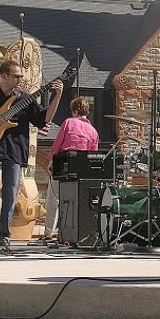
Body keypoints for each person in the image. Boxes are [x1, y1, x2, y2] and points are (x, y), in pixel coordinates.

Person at [0, 59, 63, 253]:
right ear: (4, 76)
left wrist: (57, 96)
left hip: (15, 151)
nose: (20, 79)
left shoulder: (25, 99)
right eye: (16, 76)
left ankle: (4, 235)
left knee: (11, 193)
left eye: (21, 76)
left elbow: (44, 120)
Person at [44, 96, 99, 242]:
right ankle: (74, 232)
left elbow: (58, 144)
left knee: (54, 198)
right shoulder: (93, 131)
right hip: (80, 167)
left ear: (74, 111)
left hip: (64, 162)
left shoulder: (68, 122)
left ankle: (49, 232)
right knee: (75, 199)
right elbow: (92, 154)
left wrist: (51, 161)